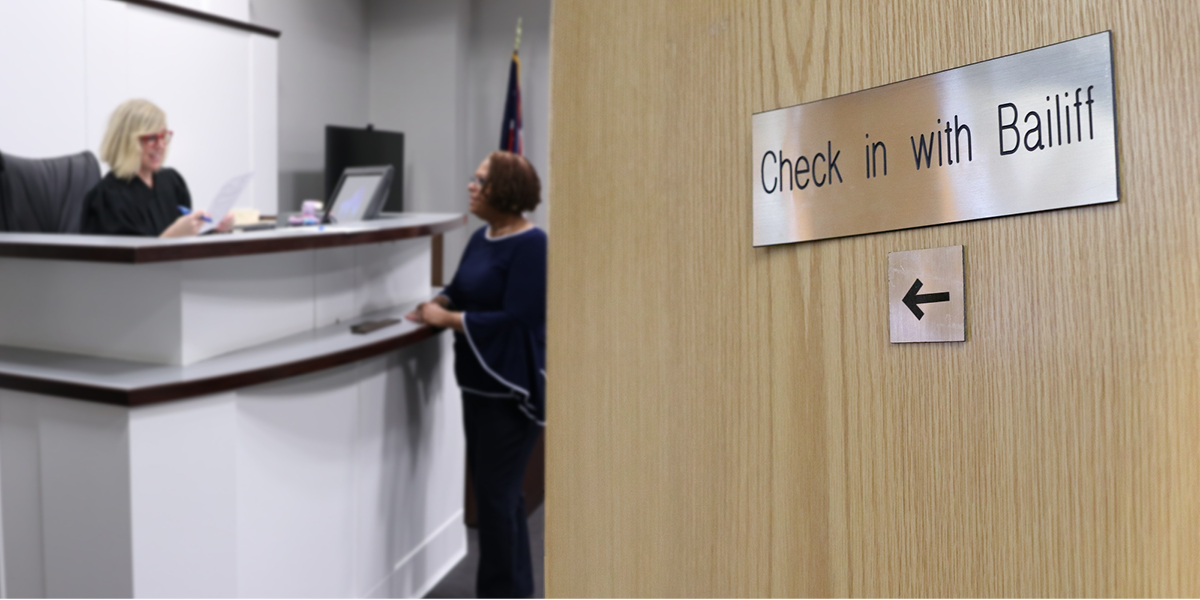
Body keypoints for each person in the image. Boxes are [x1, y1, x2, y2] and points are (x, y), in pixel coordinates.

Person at [406, 150, 546, 598]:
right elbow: (461, 286)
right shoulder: (483, 236)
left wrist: (448, 320)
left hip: (510, 389)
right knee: (501, 498)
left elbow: (519, 317)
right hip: (476, 384)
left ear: (503, 190)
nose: (471, 185)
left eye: (480, 180)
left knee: (495, 500)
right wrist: (443, 302)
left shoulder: (532, 244)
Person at [82, 99, 233, 237]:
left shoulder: (172, 181)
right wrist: (172, 237)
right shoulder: (107, 198)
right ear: (127, 142)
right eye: (152, 138)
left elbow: (191, 245)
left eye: (164, 136)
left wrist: (214, 229)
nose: (161, 145)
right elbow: (124, 263)